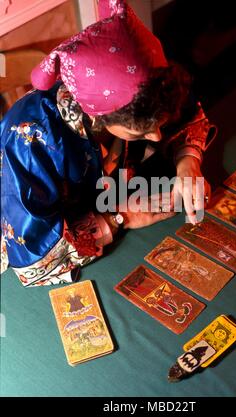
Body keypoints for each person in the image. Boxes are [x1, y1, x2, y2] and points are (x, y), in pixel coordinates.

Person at [0, 0, 217, 287]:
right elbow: (35, 264)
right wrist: (120, 217)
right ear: (97, 115)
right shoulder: (28, 142)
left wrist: (188, 162)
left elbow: (187, 117)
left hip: (115, 193)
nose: (157, 137)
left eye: (159, 125)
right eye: (141, 133)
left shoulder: (146, 92)